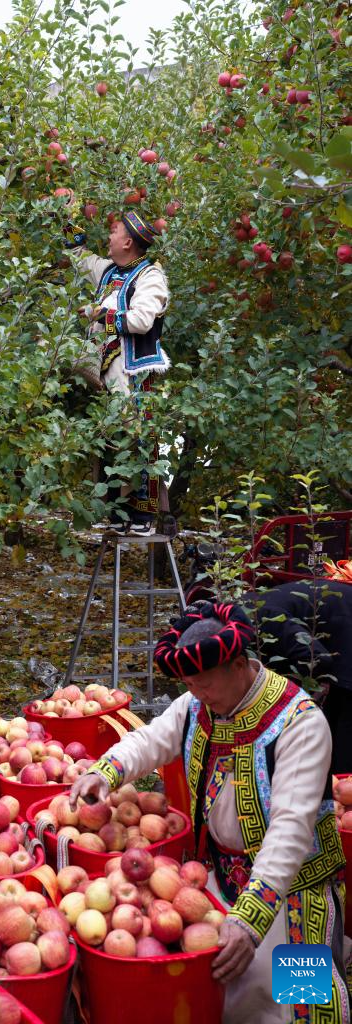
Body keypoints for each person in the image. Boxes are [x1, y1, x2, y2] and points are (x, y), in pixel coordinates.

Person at [70, 600, 349, 1024]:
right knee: (224, 999)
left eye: (204, 685)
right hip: (223, 880)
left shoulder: (300, 723)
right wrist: (105, 771)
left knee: (300, 1009)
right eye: (190, 686)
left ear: (239, 665)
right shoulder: (198, 705)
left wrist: (251, 919)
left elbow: (290, 829)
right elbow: (150, 740)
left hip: (294, 894)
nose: (197, 695)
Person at [66, 211, 171, 536]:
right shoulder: (108, 271)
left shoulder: (150, 276)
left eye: (114, 231)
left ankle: (143, 514)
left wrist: (100, 314)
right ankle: (118, 512)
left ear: (128, 242)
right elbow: (78, 256)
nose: (108, 236)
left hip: (131, 370)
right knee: (110, 437)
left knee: (135, 436)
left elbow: (141, 320)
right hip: (105, 369)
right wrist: (65, 216)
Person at [244, 564, 352, 773]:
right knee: (329, 725)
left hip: (345, 629)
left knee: (345, 726)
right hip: (336, 632)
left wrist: (291, 701)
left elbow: (316, 657)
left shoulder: (263, 617)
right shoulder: (243, 614)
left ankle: (340, 783)